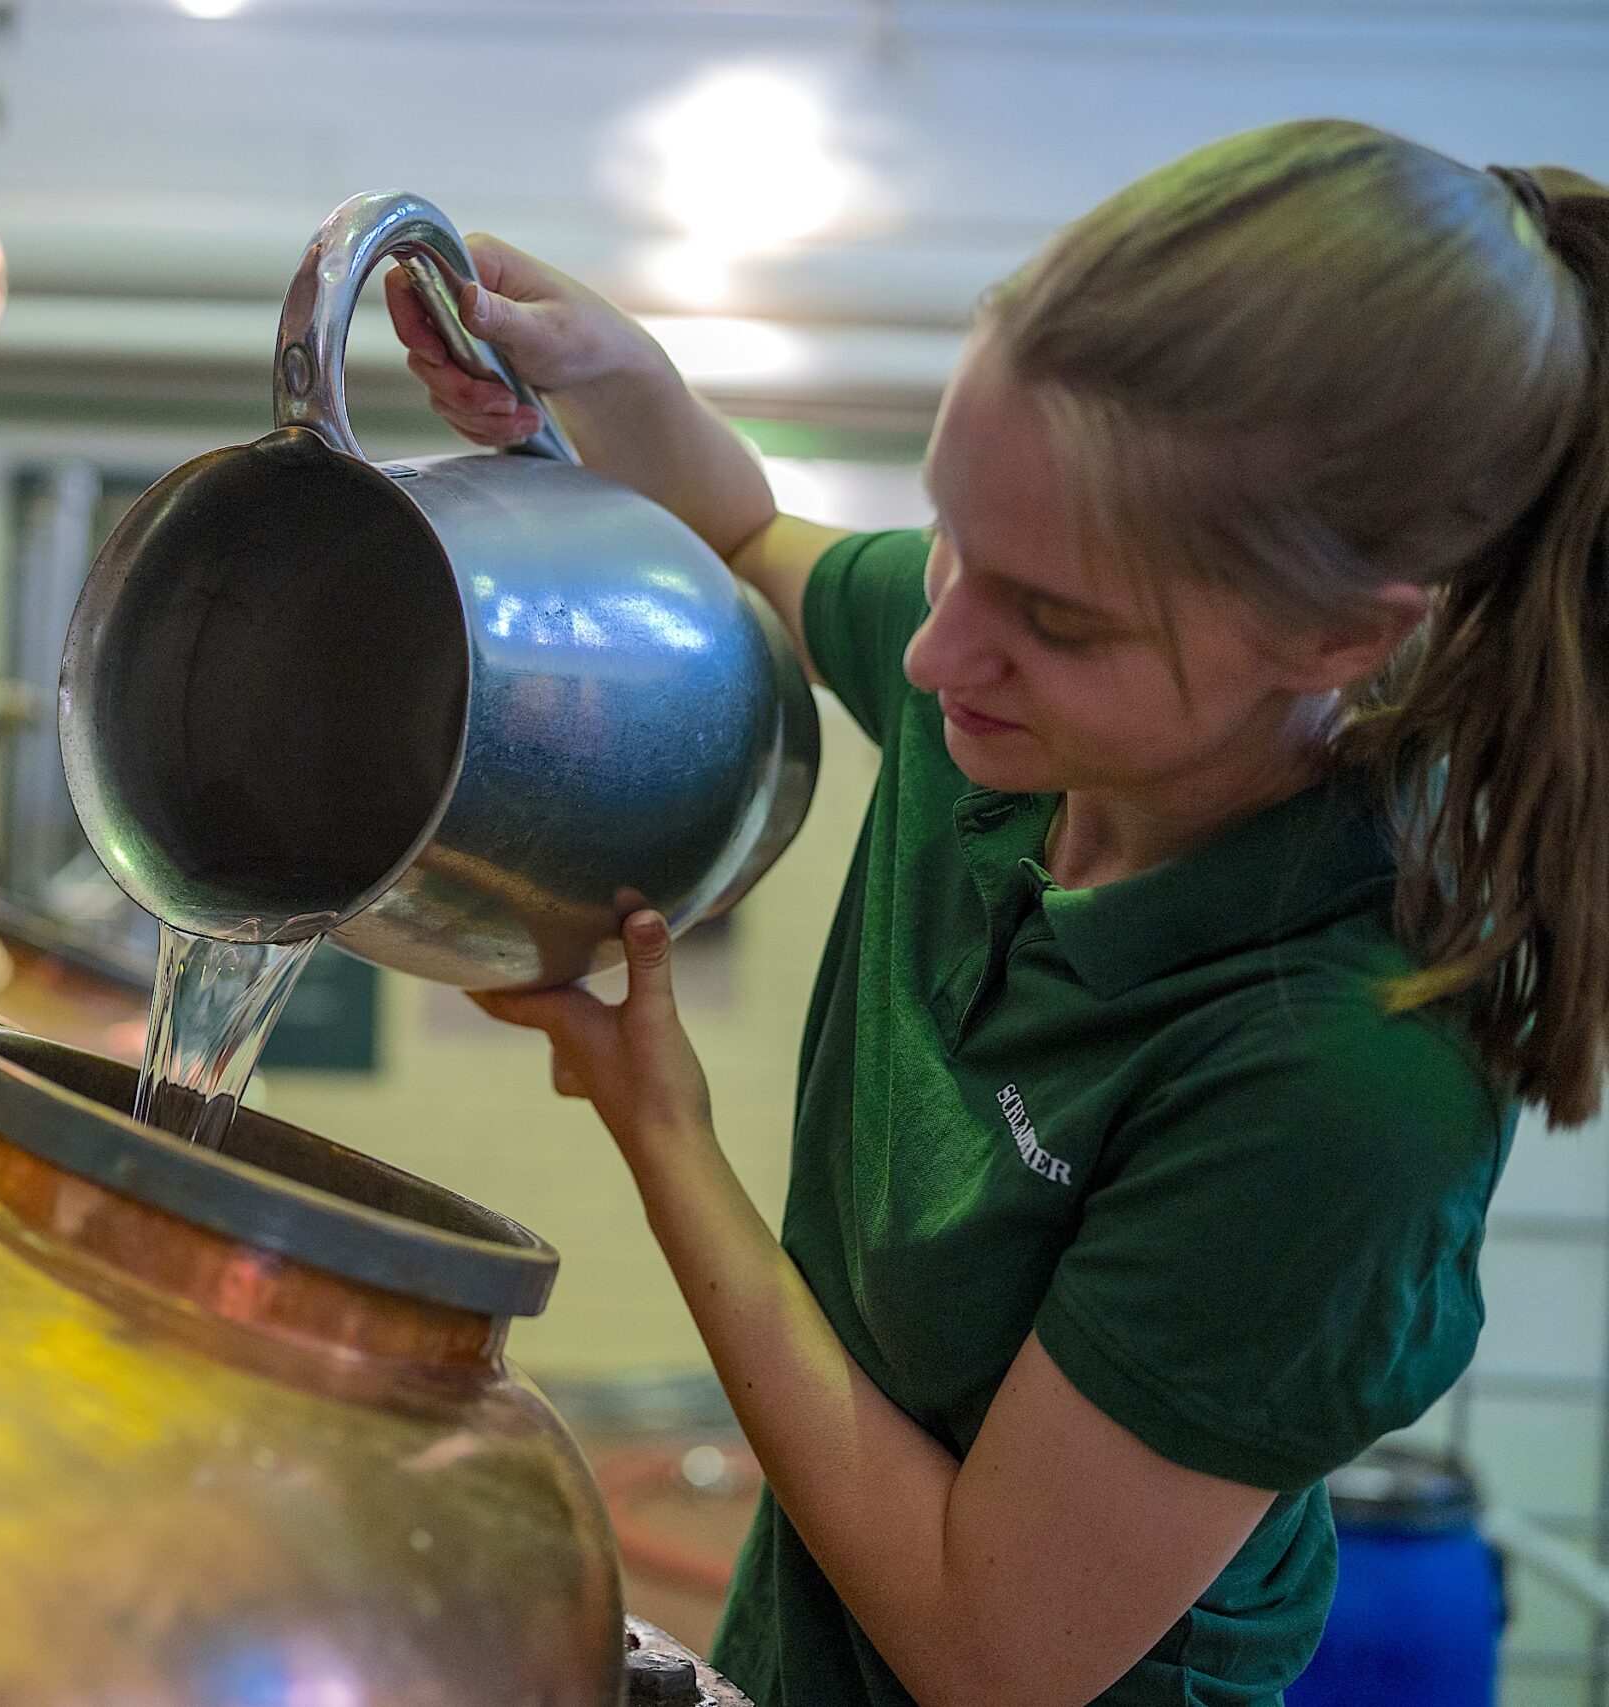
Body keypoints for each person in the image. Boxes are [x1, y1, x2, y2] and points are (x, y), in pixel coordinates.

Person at [389, 119, 1609, 1706]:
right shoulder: (1012, 717)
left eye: (1051, 617)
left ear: (1332, 635)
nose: (932, 652)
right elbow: (751, 542)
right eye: (953, 532)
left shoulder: (1341, 1087)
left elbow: (990, 1649)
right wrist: (628, 388)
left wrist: (660, 1124)